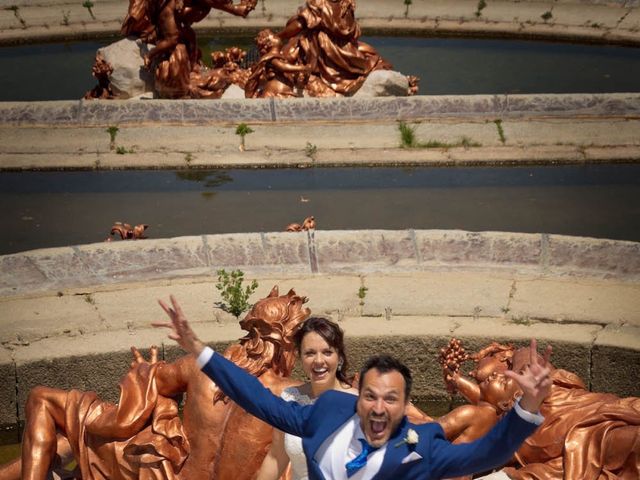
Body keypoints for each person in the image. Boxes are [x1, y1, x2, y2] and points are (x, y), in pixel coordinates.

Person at [155, 295, 553, 480]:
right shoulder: (324, 412)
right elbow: (258, 398)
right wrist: (198, 349)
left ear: (403, 406)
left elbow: (488, 451)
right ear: (359, 398)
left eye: (391, 399)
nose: (379, 408)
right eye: (372, 396)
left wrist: (529, 405)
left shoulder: (421, 446)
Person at [256, 316, 357, 480]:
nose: (318, 361)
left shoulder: (357, 404)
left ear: (339, 356)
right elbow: (276, 457)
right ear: (300, 357)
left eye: (327, 352)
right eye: (310, 353)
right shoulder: (290, 398)